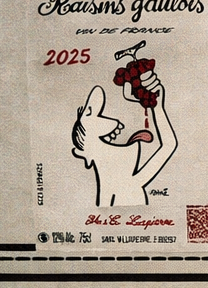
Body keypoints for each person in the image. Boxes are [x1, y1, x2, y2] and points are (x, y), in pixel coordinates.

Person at [71, 70, 177, 206]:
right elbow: (168, 145)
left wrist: (157, 107)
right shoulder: (129, 186)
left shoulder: (130, 184)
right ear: (90, 154)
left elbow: (169, 146)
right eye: (107, 142)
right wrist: (157, 108)